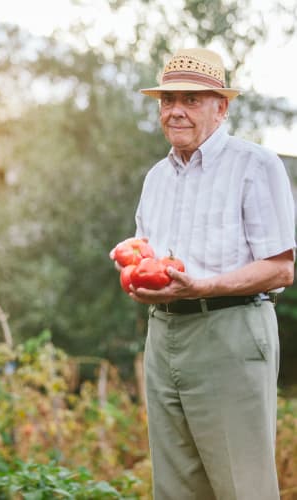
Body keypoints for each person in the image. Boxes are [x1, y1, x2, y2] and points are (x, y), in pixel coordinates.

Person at [125, 48, 296, 500]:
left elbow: (282, 267)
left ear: (221, 107)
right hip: (163, 337)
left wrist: (204, 285)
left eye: (192, 99)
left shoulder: (255, 165)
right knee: (176, 489)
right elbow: (146, 252)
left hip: (232, 331)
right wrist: (132, 264)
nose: (175, 110)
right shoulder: (156, 178)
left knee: (244, 488)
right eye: (168, 100)